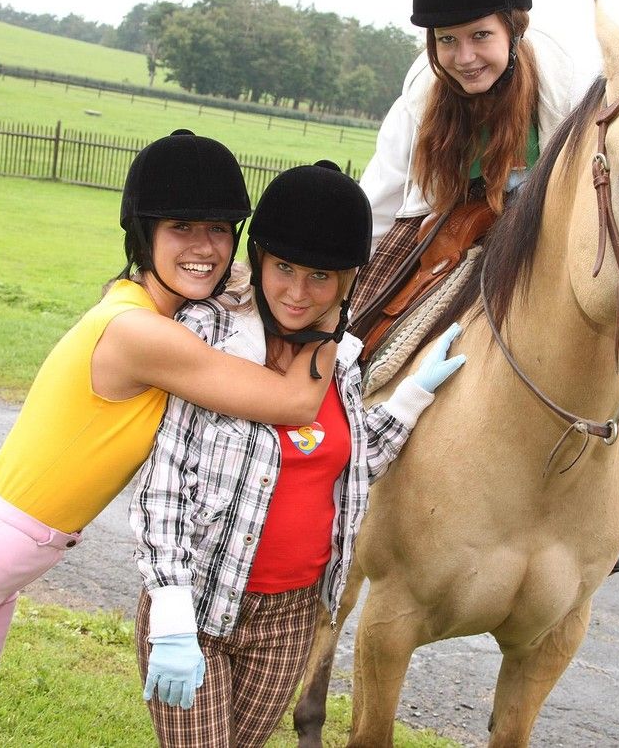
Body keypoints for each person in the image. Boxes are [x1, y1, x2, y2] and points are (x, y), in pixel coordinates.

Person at [0, 130, 343, 748]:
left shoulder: (145, 308)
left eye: (221, 229)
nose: (204, 247)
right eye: (182, 227)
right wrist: (338, 314)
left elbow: (239, 302)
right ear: (144, 235)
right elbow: (295, 401)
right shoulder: (138, 333)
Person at [130, 160, 465, 747]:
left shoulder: (340, 364)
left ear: (345, 282)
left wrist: (412, 397)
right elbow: (163, 485)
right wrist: (174, 615)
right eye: (284, 267)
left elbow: (349, 464)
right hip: (202, 607)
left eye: (320, 275)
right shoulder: (206, 338)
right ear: (258, 259)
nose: (297, 292)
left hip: (289, 620)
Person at [351, 0, 575, 317]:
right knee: (362, 328)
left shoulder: (567, 96)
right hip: (446, 226)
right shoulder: (418, 102)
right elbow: (378, 204)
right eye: (447, 39)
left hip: (543, 236)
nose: (464, 58)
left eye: (481, 35)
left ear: (513, 29)